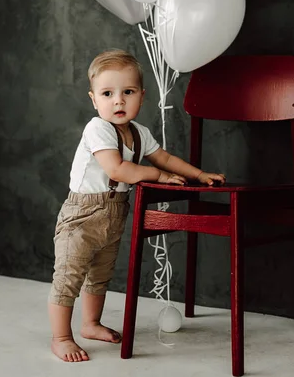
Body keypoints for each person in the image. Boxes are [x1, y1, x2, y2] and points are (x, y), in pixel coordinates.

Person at [48, 49, 226, 362]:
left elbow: (166, 158)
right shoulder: (98, 129)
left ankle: (90, 324)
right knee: (68, 276)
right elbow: (117, 170)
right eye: (108, 93)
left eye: (127, 92)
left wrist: (198, 174)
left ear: (141, 96)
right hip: (83, 214)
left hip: (115, 213)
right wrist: (158, 174)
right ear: (94, 99)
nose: (118, 101)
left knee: (100, 275)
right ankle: (61, 337)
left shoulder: (139, 134)